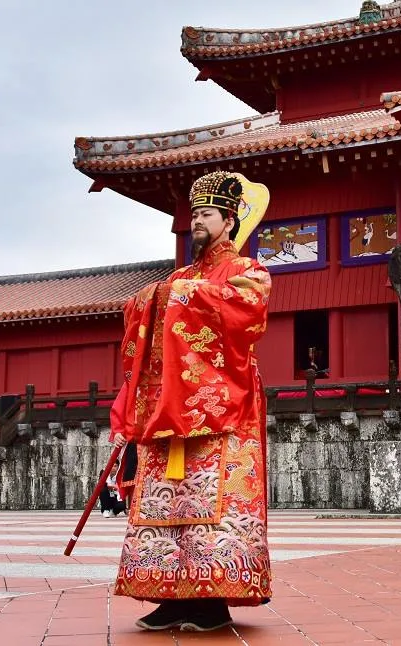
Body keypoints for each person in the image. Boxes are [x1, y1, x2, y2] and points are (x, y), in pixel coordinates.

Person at [111, 171, 273, 632]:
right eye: (195, 214)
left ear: (229, 220)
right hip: (168, 408)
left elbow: (247, 311)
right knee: (167, 502)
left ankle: (213, 598)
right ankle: (170, 594)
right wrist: (154, 297)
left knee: (215, 499)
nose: (197, 221)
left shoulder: (249, 271)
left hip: (225, 408)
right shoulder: (179, 276)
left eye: (206, 214)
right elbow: (138, 308)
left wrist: (176, 295)